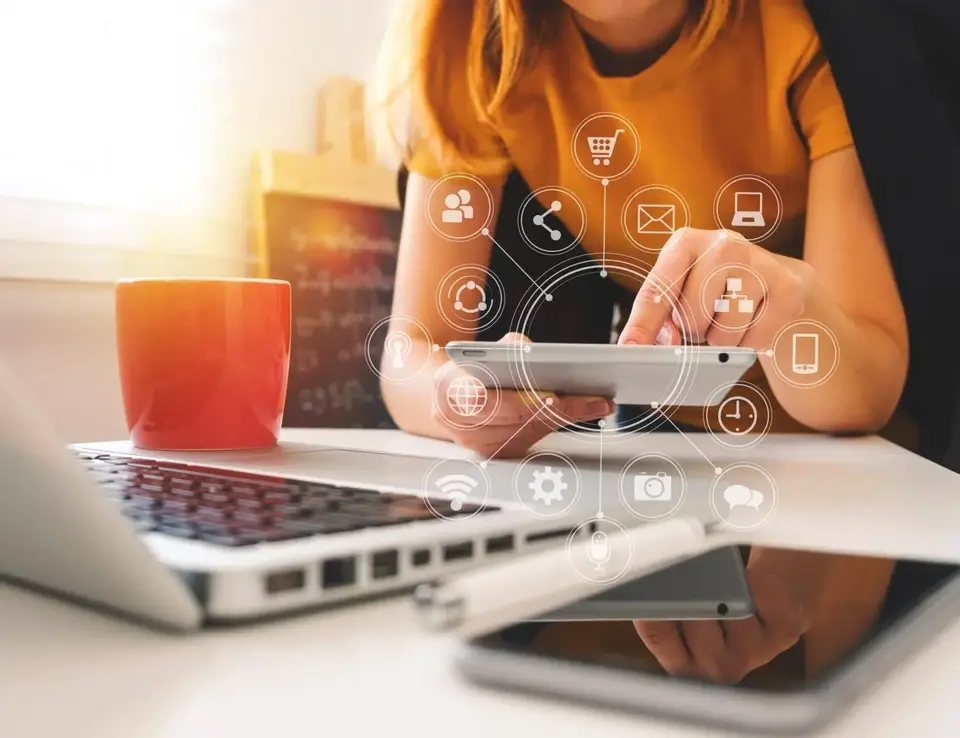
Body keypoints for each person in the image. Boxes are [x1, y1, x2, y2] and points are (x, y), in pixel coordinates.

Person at [375, 0, 908, 685]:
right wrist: (457, 396)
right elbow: (410, 352)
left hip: (845, 483)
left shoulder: (810, 31)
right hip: (643, 470)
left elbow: (870, 384)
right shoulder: (472, 39)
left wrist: (790, 311)